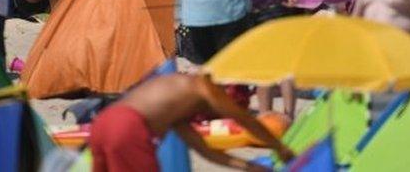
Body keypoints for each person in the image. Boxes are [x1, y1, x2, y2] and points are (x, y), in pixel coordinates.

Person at [89, 73, 295, 172]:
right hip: (127, 127)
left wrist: (249, 167)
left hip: (104, 123)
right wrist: (280, 148)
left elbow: (205, 152)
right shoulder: (205, 88)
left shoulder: (178, 111)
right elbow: (247, 121)